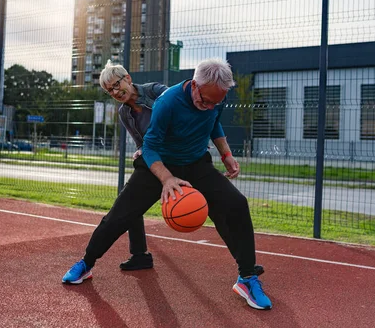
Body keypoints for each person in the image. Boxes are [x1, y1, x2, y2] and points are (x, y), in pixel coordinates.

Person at [62, 58, 271, 310]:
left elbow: (213, 120)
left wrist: (226, 154)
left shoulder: (216, 97)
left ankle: (247, 277)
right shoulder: (167, 101)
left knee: (236, 205)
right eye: (205, 100)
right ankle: (86, 263)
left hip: (196, 163)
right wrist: (167, 178)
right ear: (194, 86)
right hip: (159, 164)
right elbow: (148, 146)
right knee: (120, 215)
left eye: (216, 102)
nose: (209, 106)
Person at [100, 61, 168, 270]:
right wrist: (140, 149)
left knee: (218, 201)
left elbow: (180, 109)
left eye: (116, 84)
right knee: (132, 204)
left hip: (181, 154)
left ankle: (246, 267)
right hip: (156, 160)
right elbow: (140, 141)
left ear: (127, 78)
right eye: (109, 90)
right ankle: (140, 255)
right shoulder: (123, 113)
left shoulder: (156, 91)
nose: (115, 91)